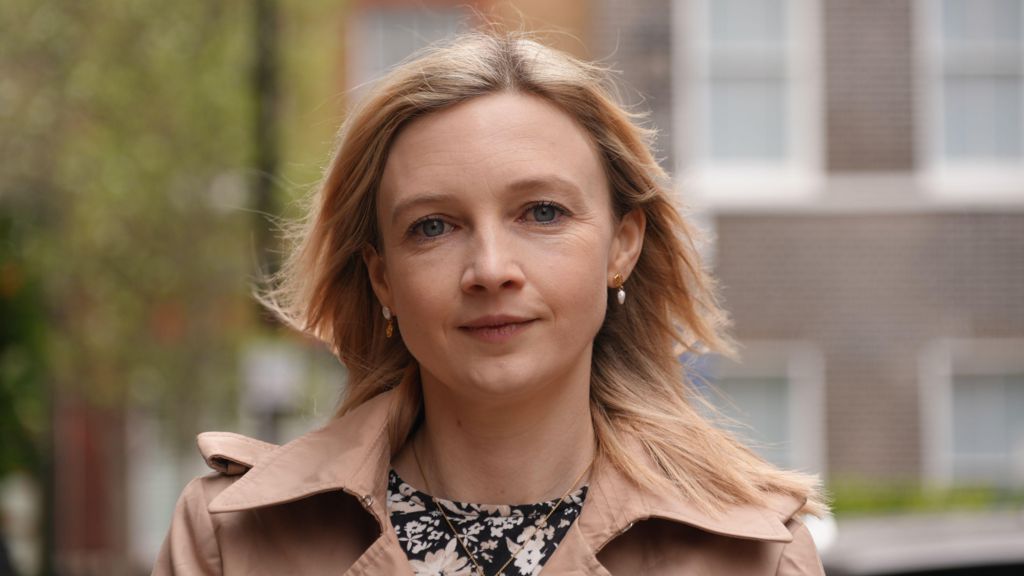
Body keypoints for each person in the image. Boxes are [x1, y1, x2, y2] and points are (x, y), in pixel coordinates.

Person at [154, 31, 826, 575]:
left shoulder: (756, 555)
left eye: (541, 212)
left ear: (622, 245)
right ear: (382, 278)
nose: (491, 270)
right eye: (434, 227)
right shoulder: (233, 538)